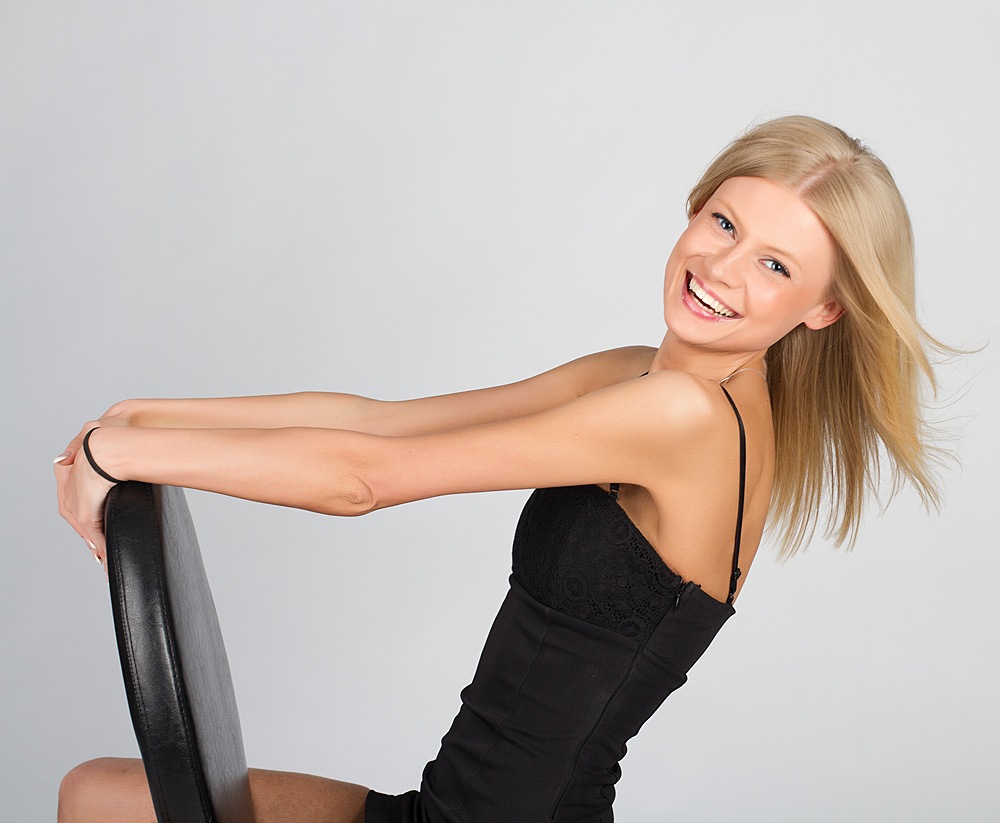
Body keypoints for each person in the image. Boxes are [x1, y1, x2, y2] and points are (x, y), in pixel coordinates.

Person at [54, 115, 947, 823]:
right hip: (451, 806)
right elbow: (378, 421)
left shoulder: (680, 416)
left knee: (97, 800)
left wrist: (117, 455)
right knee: (95, 794)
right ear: (697, 204)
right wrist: (145, 415)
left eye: (774, 264)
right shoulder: (643, 378)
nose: (720, 268)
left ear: (824, 308)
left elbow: (363, 478)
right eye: (724, 222)